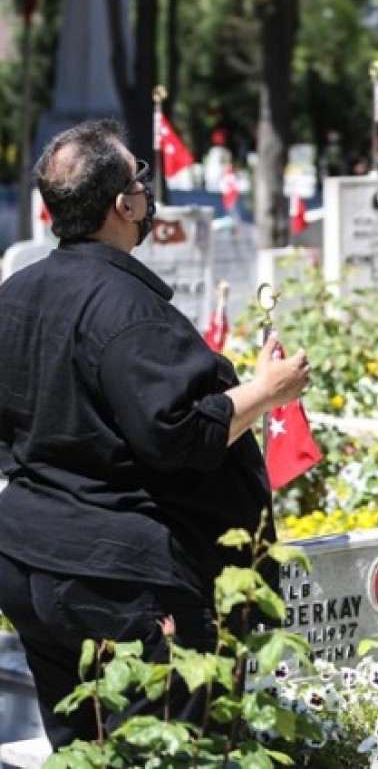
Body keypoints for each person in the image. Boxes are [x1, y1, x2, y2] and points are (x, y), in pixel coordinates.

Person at [0, 119, 310, 748]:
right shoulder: (129, 312)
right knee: (166, 750)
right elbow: (179, 435)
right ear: (124, 205)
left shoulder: (16, 294)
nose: (147, 192)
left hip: (29, 557)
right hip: (120, 578)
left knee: (83, 751)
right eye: (140, 181)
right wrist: (269, 390)